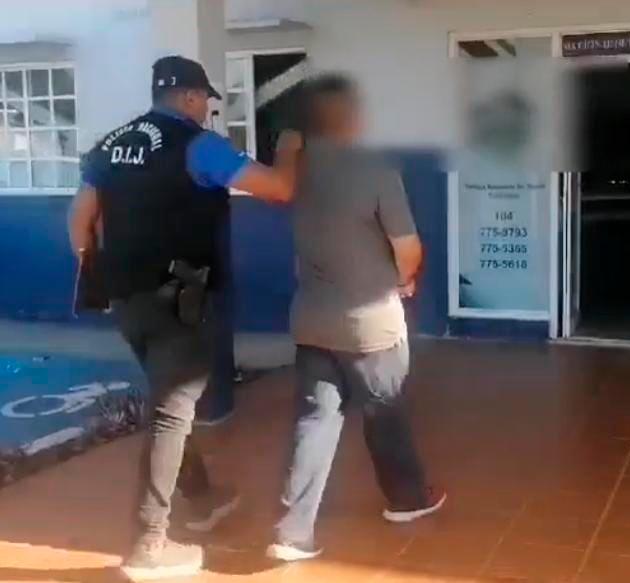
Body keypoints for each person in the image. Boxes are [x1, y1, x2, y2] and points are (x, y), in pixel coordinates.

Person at [68, 55, 303, 582]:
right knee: (171, 412)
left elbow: (80, 219)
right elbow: (279, 189)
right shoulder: (199, 145)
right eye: (206, 102)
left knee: (169, 400)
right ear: (192, 97)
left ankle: (202, 496)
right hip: (182, 298)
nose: (206, 111)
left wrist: (96, 271)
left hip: (127, 299)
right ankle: (149, 542)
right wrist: (289, 148)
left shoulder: (112, 145)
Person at [267, 74, 445, 562]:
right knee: (384, 409)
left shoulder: (295, 169)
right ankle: (407, 499)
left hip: (312, 318)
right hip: (369, 322)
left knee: (315, 420)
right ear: (350, 117)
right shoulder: (375, 169)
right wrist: (404, 280)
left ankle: (293, 531)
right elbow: (408, 247)